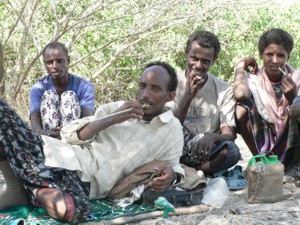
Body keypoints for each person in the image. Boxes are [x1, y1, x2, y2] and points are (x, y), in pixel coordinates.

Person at [0, 61, 184, 223]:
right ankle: (23, 184)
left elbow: (175, 168)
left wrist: (170, 176)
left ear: (170, 96)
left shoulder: (172, 129)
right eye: (142, 86)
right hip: (57, 155)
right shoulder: (118, 108)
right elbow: (69, 135)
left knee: (72, 211)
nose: (145, 94)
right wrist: (114, 117)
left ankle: (30, 188)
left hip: (84, 182)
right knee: (2, 112)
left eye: (155, 89)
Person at [168, 30, 241, 175]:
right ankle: (184, 170)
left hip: (203, 152)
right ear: (186, 53)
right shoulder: (170, 82)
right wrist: (188, 96)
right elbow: (168, 128)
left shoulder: (223, 90)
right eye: (194, 58)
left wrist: (211, 137)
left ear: (214, 60)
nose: (198, 65)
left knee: (231, 151)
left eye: (206, 61)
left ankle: (192, 171)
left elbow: (229, 134)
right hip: (172, 146)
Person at [233, 28, 300, 179]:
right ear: (261, 55)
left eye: (281, 55)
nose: (275, 60)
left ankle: (295, 165)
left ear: (288, 57)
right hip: (265, 137)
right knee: (241, 108)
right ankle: (261, 160)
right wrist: (240, 67)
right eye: (269, 54)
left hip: (293, 140)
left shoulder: (296, 78)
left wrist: (292, 97)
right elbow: (241, 94)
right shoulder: (253, 79)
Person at [29, 41, 95, 139]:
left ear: (68, 60)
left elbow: (87, 119)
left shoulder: (85, 87)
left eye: (60, 61)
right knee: (48, 95)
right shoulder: (38, 88)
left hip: (73, 135)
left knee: (69, 96)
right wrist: (44, 133)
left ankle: (68, 138)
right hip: (49, 137)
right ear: (45, 63)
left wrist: (68, 133)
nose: (55, 66)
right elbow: (34, 120)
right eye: (49, 62)